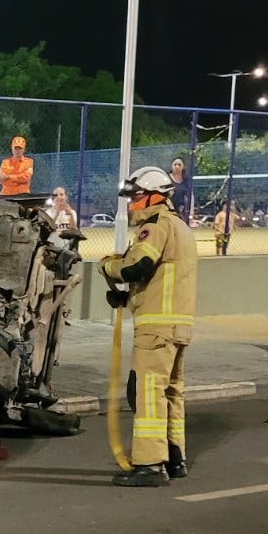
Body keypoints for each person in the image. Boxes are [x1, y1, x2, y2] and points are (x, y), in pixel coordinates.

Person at [100, 166, 197, 487]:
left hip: (156, 328)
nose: (132, 205)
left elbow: (137, 266)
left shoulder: (155, 227)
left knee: (147, 393)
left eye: (137, 197)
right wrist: (127, 301)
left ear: (155, 196)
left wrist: (108, 266)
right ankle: (174, 457)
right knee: (170, 392)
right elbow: (161, 280)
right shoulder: (181, 227)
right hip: (177, 325)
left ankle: (151, 466)